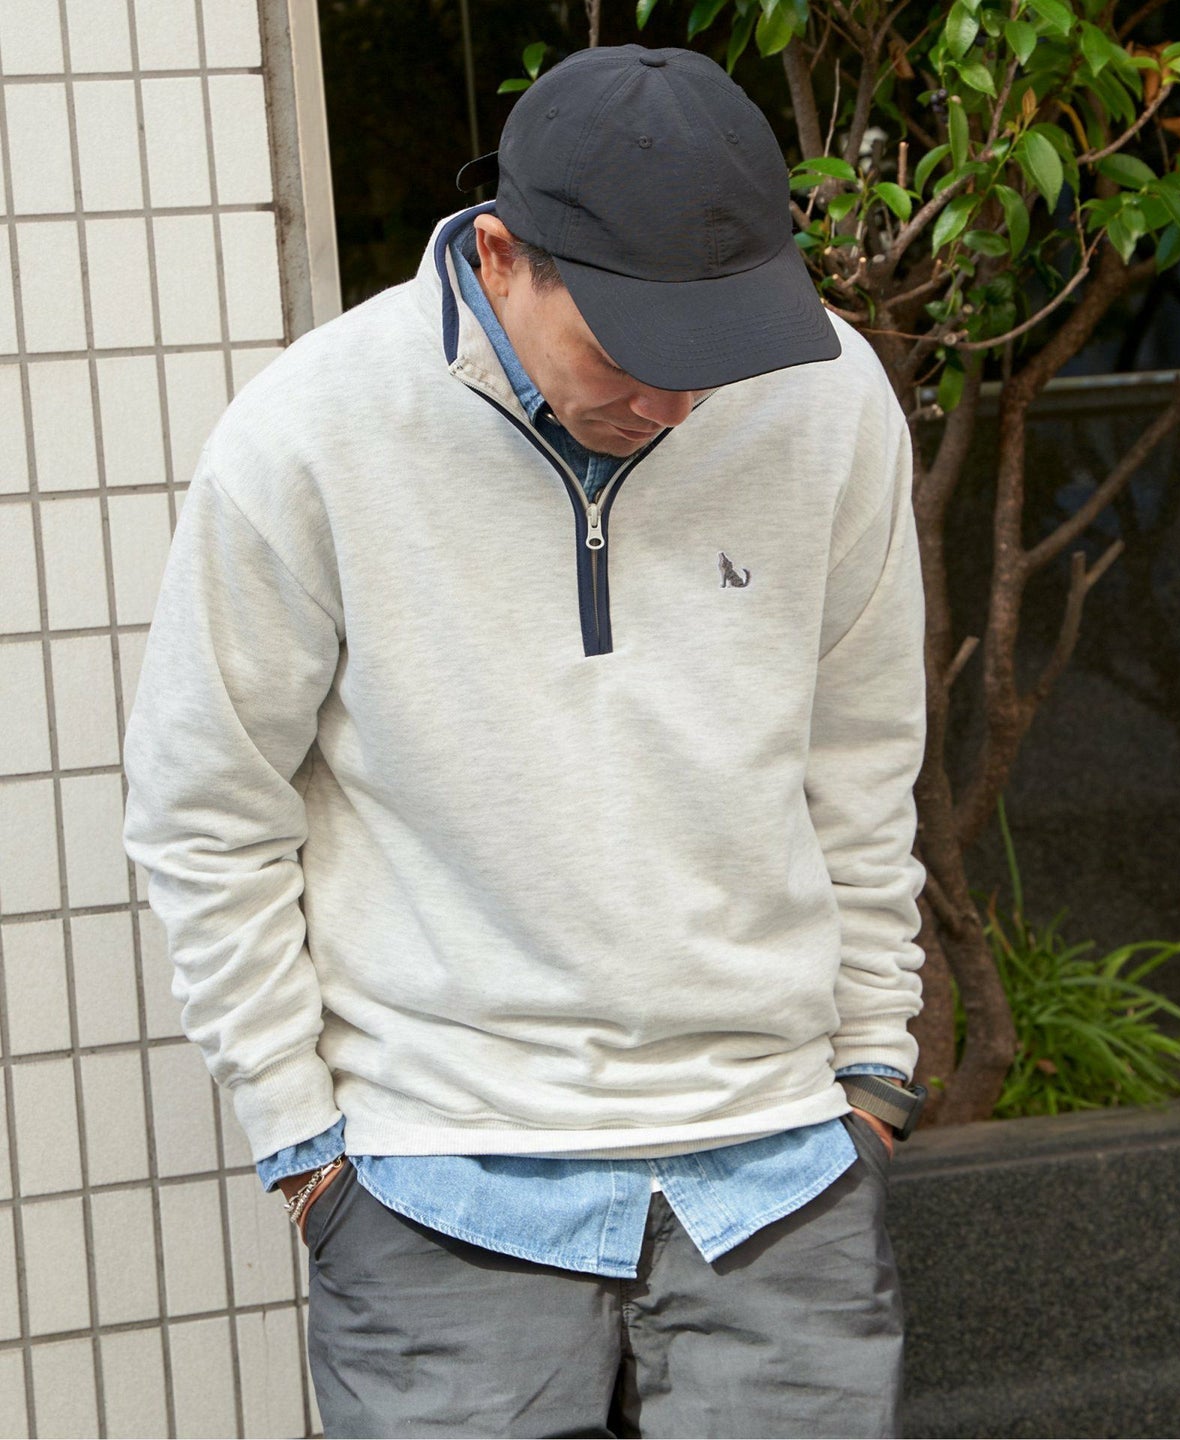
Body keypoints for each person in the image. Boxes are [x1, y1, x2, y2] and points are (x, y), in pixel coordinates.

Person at [123, 42, 928, 1440]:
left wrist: (868, 1072)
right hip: (442, 1176)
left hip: (780, 1164)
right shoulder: (311, 435)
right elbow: (207, 806)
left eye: (714, 354)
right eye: (631, 353)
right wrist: (303, 1143)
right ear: (501, 257)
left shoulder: (830, 395)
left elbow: (861, 755)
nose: (675, 403)